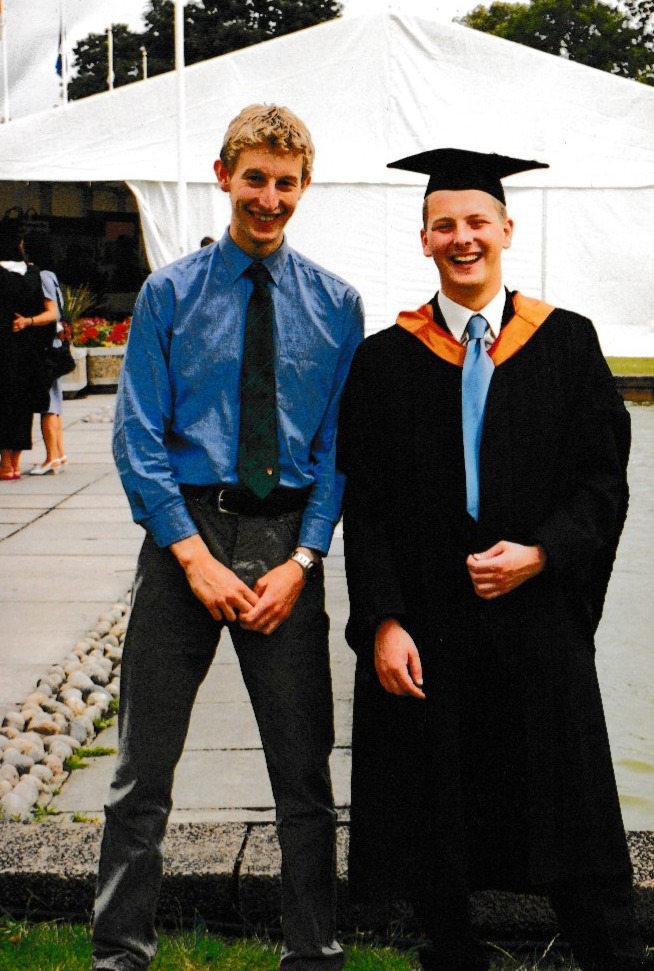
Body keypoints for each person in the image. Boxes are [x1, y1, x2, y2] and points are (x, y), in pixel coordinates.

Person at [337, 148, 649, 971]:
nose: (462, 238)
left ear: (507, 229)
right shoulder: (385, 360)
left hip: (537, 619)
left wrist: (544, 552)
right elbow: (365, 509)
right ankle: (453, 954)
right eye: (445, 225)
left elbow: (603, 483)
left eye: (477, 221)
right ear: (424, 239)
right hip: (429, 626)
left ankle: (612, 956)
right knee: (435, 815)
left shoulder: (567, 344)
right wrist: (382, 621)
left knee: (571, 807)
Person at [91, 103, 364, 971]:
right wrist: (192, 555)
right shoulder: (169, 295)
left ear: (305, 186)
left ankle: (312, 952)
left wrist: (304, 559)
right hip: (186, 539)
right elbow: (137, 437)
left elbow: (339, 450)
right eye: (254, 179)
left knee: (305, 778)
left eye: (285, 183)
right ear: (223, 176)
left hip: (287, 545)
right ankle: (119, 954)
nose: (268, 198)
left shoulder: (337, 305)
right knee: (141, 773)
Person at [0, 222, 53, 480]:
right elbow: (48, 312)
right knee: (22, 407)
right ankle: (15, 463)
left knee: (3, 404)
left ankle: (4, 463)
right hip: (28, 350)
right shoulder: (34, 274)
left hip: (4, 348)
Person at [14, 238, 68, 475]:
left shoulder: (42, 276)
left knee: (47, 405)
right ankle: (59, 454)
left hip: (47, 347)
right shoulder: (51, 275)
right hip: (55, 345)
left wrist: (28, 321)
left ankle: (51, 458)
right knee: (54, 403)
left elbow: (52, 313)